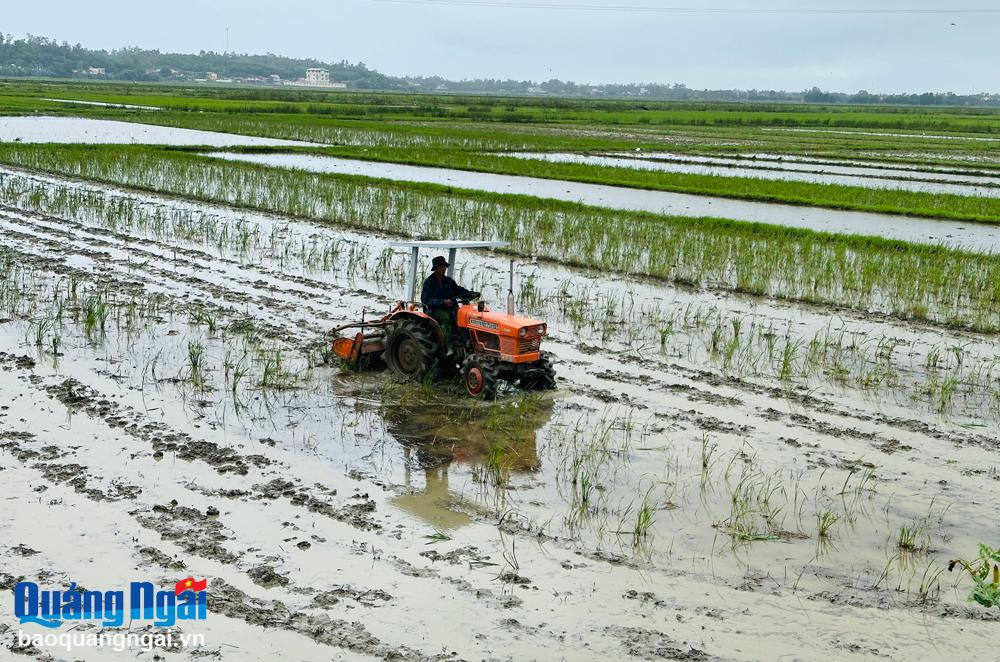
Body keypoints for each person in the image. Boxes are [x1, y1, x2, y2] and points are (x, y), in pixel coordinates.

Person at [421, 255, 478, 354]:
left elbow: (459, 290)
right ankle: (449, 347)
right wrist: (442, 302)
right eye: (441, 267)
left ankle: (466, 342)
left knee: (464, 317)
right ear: (436, 269)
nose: (444, 269)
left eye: (444, 267)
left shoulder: (448, 281)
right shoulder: (429, 282)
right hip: (435, 310)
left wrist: (470, 293)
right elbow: (426, 299)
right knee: (446, 318)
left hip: (450, 308)